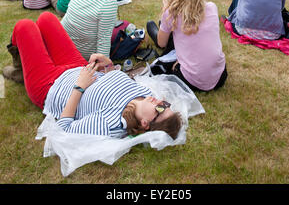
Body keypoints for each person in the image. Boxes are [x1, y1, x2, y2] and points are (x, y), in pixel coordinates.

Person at [3, 12, 182, 140]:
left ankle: (20, 68)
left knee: (24, 26)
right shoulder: (144, 93)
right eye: (165, 104)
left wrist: (79, 87)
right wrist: (108, 66)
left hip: (51, 85)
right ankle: (29, 62)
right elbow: (114, 84)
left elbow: (65, 128)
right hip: (79, 68)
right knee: (46, 19)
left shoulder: (111, 123)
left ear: (145, 124)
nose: (159, 102)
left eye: (160, 109)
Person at [147, 0, 227, 92]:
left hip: (191, 80)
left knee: (151, 25)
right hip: (220, 76)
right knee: (170, 27)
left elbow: (161, 43)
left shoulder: (171, 13)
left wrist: (166, 12)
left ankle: (156, 26)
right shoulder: (212, 7)